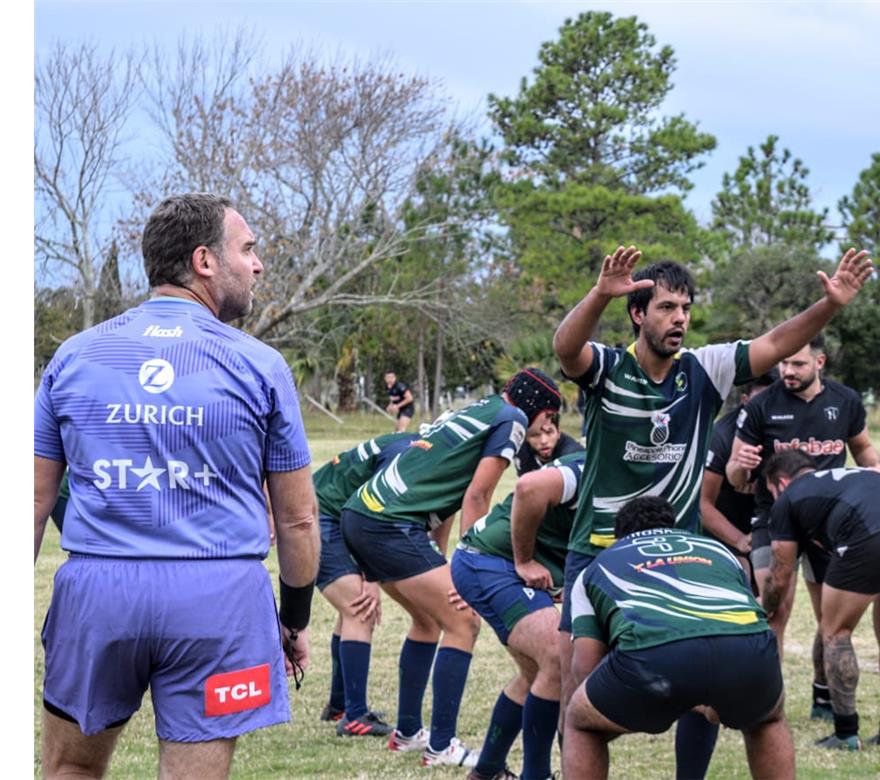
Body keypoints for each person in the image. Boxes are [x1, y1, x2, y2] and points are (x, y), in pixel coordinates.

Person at [551, 244, 872, 776]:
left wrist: (830, 305)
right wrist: (597, 294)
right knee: (577, 691)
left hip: (677, 552)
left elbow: (773, 343)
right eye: (666, 308)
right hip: (599, 549)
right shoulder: (608, 367)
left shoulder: (702, 369)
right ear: (637, 313)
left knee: (703, 694)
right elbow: (565, 350)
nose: (680, 319)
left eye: (686, 308)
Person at [33, 193, 320, 779]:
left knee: (72, 769)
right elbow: (297, 520)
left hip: (97, 595)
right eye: (247, 248)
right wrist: (292, 618)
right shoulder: (260, 365)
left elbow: (32, 500)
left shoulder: (73, 355)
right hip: (217, 602)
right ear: (204, 261)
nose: (258, 264)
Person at [340, 368, 563, 766]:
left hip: (362, 514)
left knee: (429, 621)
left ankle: (407, 732)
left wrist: (442, 560)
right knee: (464, 622)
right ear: (536, 407)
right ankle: (441, 745)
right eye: (547, 417)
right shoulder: (511, 420)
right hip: (390, 523)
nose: (547, 429)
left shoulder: (478, 409)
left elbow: (446, 491)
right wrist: (467, 565)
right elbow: (477, 495)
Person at [563, 497, 795, 780]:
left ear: (618, 536)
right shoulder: (720, 551)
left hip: (654, 656)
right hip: (749, 649)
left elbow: (584, 666)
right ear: (672, 526)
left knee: (579, 721)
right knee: (766, 719)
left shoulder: (597, 566)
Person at [728, 335, 880, 723]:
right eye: (784, 363)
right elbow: (733, 475)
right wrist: (742, 463)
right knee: (772, 608)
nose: (787, 371)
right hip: (773, 519)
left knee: (830, 617)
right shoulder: (762, 404)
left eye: (797, 364)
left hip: (828, 522)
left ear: (820, 362)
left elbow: (863, 449)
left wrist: (876, 478)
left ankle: (823, 694)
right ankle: (766, 702)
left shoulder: (844, 401)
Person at [762, 450, 880, 753]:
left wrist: (765, 606)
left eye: (772, 492)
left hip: (868, 531)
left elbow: (780, 574)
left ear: (782, 483)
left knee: (835, 631)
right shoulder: (848, 476)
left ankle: (846, 732)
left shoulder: (788, 499)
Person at [450, 451, 587, 780]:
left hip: (495, 562)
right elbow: (528, 487)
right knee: (556, 657)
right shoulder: (593, 467)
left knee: (535, 675)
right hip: (489, 560)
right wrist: (525, 561)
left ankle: (486, 770)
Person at [310, 431, 420, 728]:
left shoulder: (414, 441)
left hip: (326, 510)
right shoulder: (412, 455)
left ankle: (339, 703)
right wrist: (372, 576)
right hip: (319, 516)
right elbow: (370, 513)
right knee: (360, 608)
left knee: (351, 609)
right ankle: (355, 716)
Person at [700, 368, 779, 587]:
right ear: (745, 401)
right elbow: (702, 504)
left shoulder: (787, 428)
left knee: (771, 591)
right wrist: (739, 540)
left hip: (766, 522)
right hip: (725, 525)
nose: (767, 410)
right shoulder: (722, 436)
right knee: (739, 576)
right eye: (760, 402)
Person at [514, 407, 584, 476]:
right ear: (526, 437)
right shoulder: (521, 450)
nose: (543, 441)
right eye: (535, 435)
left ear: (558, 432)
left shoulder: (572, 455)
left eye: (549, 432)